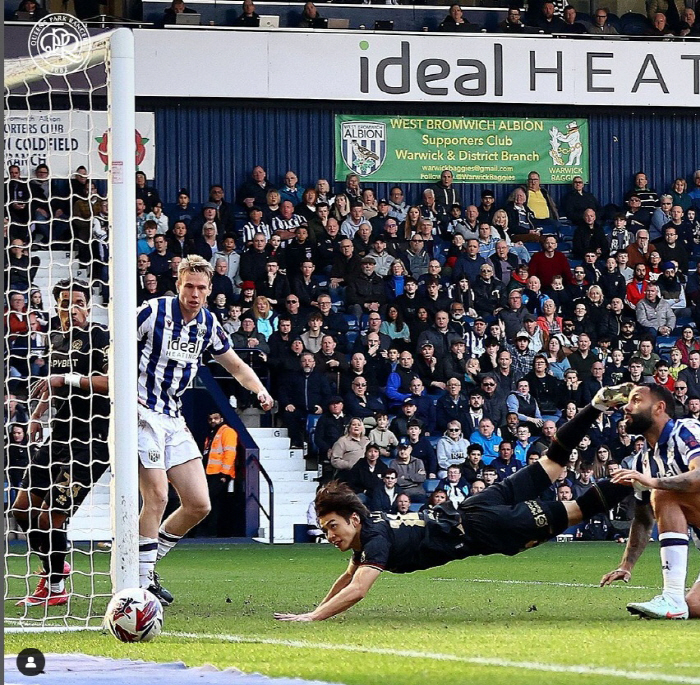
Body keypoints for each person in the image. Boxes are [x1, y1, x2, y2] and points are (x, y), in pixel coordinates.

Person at [274, 385, 635, 622]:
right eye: (325, 530)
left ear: (353, 518)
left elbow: (357, 589)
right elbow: (348, 576)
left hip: (485, 528)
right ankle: (595, 406)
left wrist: (313, 618)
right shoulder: (370, 532)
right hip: (475, 505)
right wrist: (315, 610)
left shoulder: (375, 542)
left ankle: (641, 480)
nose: (329, 535)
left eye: (332, 526)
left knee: (579, 509)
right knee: (553, 462)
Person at [135, 256, 273, 605]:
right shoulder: (151, 312)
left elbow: (237, 365)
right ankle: (137, 582)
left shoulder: (208, 325)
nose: (194, 294)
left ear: (210, 290)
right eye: (188, 286)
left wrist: (259, 390)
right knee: (158, 497)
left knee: (198, 503)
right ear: (178, 284)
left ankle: (146, 565)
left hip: (173, 417)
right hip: (140, 412)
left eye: (201, 288)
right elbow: (115, 347)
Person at [13, 279, 110, 607]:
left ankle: (54, 588)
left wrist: (64, 379)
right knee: (22, 508)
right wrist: (37, 415)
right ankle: (55, 566)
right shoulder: (57, 340)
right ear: (58, 307)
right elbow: (52, 386)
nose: (74, 308)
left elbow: (112, 383)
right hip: (60, 435)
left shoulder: (100, 337)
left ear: (89, 304)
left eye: (80, 301)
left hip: (93, 441)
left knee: (51, 516)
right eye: (67, 302)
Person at [601, 383, 700, 620]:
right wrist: (626, 565)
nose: (627, 407)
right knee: (694, 607)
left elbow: (699, 476)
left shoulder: (687, 429)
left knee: (663, 491)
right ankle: (678, 602)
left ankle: (672, 597)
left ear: (659, 408)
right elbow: (644, 519)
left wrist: (653, 482)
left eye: (636, 400)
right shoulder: (642, 461)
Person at [201, 411, 238, 537]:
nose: (213, 421)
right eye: (210, 419)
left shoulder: (227, 432)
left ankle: (212, 531)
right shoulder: (212, 434)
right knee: (214, 503)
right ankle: (211, 531)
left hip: (219, 474)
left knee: (213, 502)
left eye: (216, 418)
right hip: (210, 473)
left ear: (221, 418)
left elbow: (230, 453)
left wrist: (224, 474)